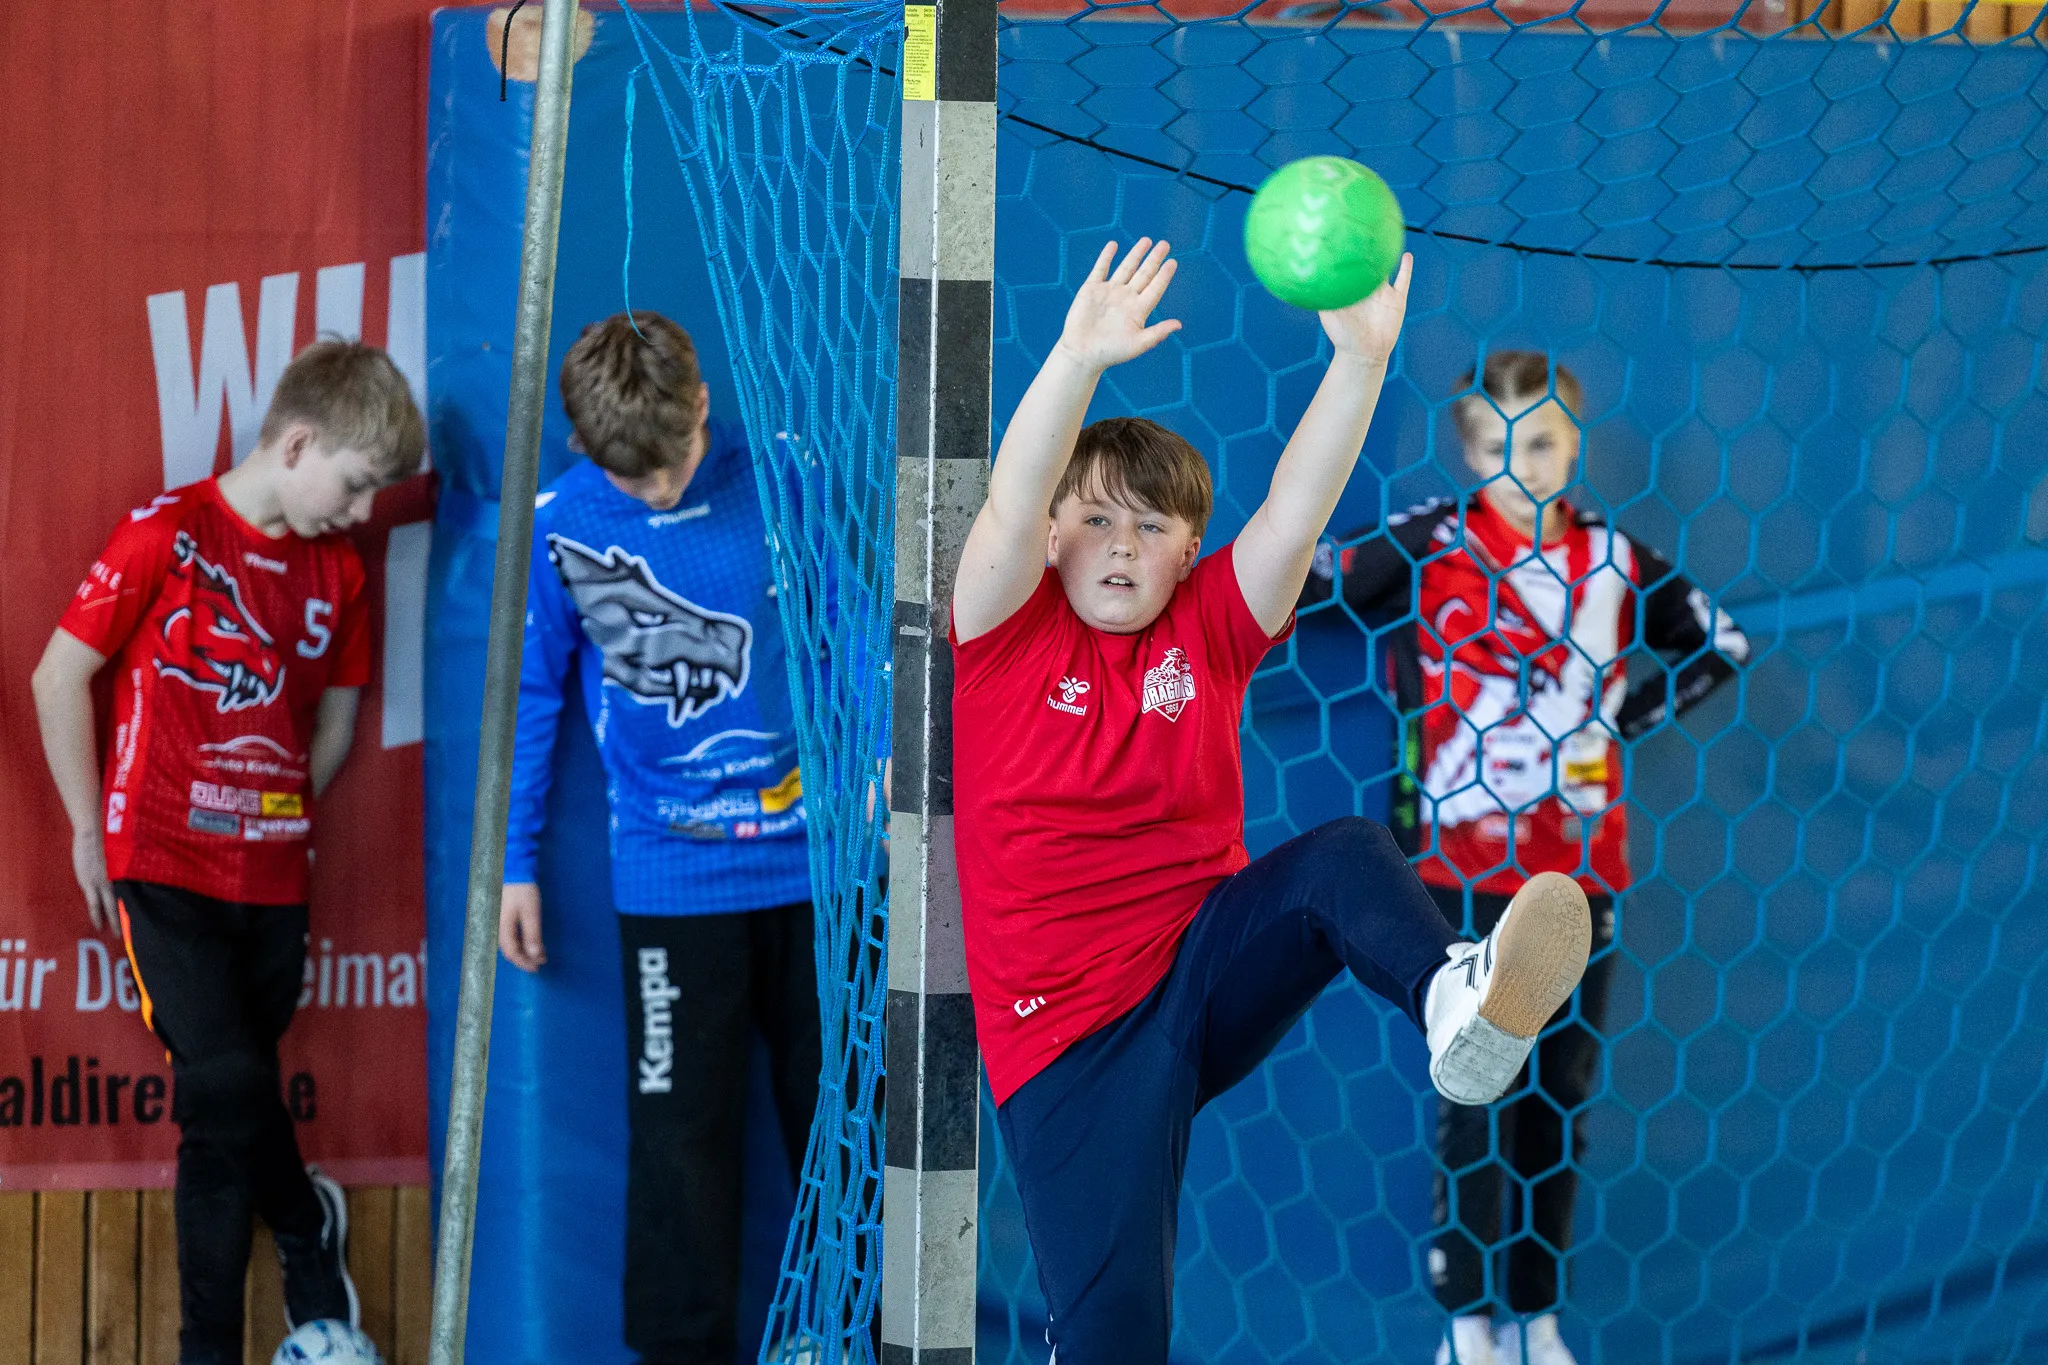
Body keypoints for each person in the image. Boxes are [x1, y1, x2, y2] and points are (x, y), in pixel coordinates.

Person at [947, 239, 1595, 1365]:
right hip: (1064, 1038)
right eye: (1095, 520)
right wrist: (1077, 359)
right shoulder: (1004, 630)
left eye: (1153, 528)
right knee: (1114, 1340)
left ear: (1188, 553)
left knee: (1342, 856)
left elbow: (1294, 515)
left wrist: (1360, 360)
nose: (1122, 545)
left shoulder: (1209, 627)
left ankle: (1453, 1003)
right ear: (1053, 538)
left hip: (1201, 966)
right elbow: (1009, 501)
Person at [1301, 351, 1751, 1365]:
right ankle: (1466, 1328)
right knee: (1474, 1097)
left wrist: (1616, 722)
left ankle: (1535, 1322)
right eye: (1497, 445)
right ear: (1468, 450)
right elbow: (1301, 577)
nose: (1521, 465)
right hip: (1455, 869)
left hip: (1580, 870)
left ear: (1574, 443)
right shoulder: (1432, 539)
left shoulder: (1614, 559)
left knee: (1558, 1102)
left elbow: (1721, 643)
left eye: (1541, 442)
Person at [31, 339, 425, 1365]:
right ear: (296, 444)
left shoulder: (338, 570)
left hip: (273, 880)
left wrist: (277, 809)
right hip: (160, 866)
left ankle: (255, 1289)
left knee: (220, 1110)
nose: (359, 513)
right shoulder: (167, 531)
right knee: (222, 1075)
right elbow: (57, 676)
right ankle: (298, 1234)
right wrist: (88, 829)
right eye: (353, 485)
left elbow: (336, 723)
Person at [496, 311, 820, 1365]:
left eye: (673, 462)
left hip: (819, 870)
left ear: (702, 406)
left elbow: (854, 621)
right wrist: (514, 863)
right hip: (672, 879)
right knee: (681, 1143)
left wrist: (875, 761)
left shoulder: (782, 475)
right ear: (586, 449)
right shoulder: (561, 522)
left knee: (847, 1125)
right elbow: (529, 697)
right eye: (633, 478)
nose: (661, 490)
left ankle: (851, 1339)